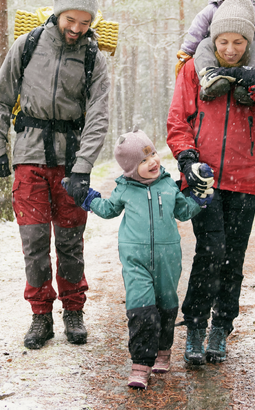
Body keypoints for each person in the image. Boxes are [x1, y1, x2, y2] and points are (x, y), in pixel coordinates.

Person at [167, 0, 255, 365]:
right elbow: (177, 120)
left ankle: (221, 327)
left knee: (232, 258)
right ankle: (194, 327)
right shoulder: (193, 69)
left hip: (245, 181)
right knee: (211, 251)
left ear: (250, 41)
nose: (231, 49)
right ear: (213, 38)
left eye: (239, 42)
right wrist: (187, 158)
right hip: (203, 179)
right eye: (224, 41)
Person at [0, 0, 110, 350]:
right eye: (71, 19)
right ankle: (41, 316)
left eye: (85, 22)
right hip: (29, 158)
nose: (76, 28)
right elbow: (1, 98)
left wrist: (84, 166)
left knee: (70, 242)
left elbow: (98, 117)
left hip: (71, 164)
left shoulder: (94, 58)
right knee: (34, 242)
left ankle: (73, 311)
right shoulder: (28, 45)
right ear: (58, 13)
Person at [70, 129, 203, 389]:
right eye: (143, 160)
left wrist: (200, 198)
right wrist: (87, 197)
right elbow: (108, 210)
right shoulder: (125, 189)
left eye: (152, 154)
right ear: (131, 169)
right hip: (135, 259)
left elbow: (185, 212)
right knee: (140, 308)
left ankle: (163, 349)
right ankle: (141, 363)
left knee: (166, 304)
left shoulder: (167, 184)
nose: (153, 161)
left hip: (168, 257)